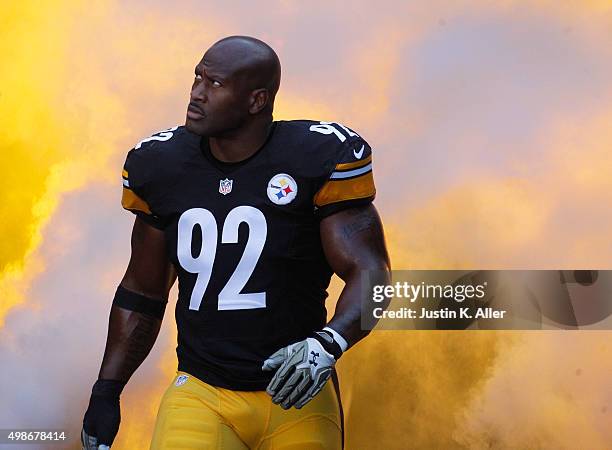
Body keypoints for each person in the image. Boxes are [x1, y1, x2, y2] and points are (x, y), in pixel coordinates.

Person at [81, 35, 391, 450]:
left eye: (216, 84)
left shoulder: (316, 156)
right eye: (197, 78)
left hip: (296, 394)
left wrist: (328, 343)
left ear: (257, 101)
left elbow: (372, 276)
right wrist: (107, 389)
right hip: (202, 392)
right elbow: (143, 292)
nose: (196, 93)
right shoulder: (163, 164)